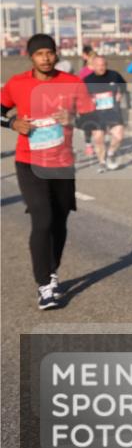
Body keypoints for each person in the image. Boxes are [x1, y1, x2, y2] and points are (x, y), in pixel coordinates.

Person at [1, 34, 95, 309]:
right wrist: (12, 123)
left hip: (62, 162)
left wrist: (74, 119)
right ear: (31, 56)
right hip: (29, 162)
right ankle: (44, 284)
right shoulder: (17, 84)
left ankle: (51, 269)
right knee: (42, 219)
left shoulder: (72, 82)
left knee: (59, 221)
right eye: (40, 53)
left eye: (50, 53)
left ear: (56, 55)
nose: (45, 58)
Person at [79, 55, 127, 172]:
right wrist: (89, 100)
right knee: (99, 139)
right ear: (93, 66)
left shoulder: (114, 75)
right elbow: (81, 96)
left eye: (103, 65)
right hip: (96, 114)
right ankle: (102, 163)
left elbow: (123, 85)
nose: (101, 67)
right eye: (98, 65)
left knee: (119, 136)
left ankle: (110, 153)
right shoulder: (87, 80)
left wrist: (120, 93)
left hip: (113, 112)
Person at [79, 45, 96, 156]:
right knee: (88, 126)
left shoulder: (100, 70)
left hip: (99, 102)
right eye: (91, 58)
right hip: (86, 102)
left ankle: (98, 143)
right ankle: (88, 145)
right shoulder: (83, 72)